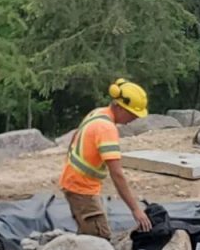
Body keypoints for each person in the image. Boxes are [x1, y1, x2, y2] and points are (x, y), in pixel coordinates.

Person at [59, 79, 154, 240]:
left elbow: (74, 140)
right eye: (131, 113)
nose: (133, 119)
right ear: (118, 106)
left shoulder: (98, 113)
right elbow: (117, 174)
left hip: (75, 185)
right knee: (100, 238)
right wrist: (136, 210)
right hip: (81, 190)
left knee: (88, 234)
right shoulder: (106, 128)